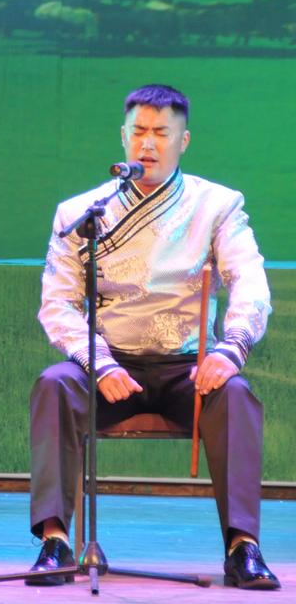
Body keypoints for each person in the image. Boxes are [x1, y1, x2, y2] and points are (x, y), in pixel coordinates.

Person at [26, 84, 279, 590]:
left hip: (189, 366)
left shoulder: (218, 205)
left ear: (184, 140)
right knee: (54, 384)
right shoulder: (80, 212)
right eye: (139, 131)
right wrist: (98, 362)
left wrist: (231, 349)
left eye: (161, 133)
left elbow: (250, 283)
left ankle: (242, 547)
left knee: (236, 396)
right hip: (109, 364)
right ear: (123, 137)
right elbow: (57, 302)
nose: (148, 143)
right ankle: (54, 541)